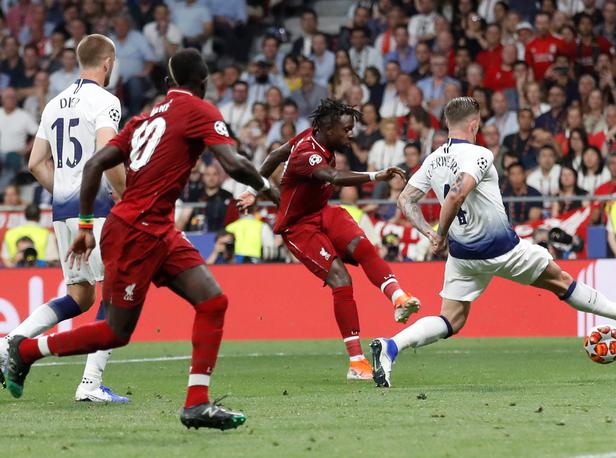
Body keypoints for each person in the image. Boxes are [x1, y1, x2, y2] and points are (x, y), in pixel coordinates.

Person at [4, 49, 277, 431]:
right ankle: (28, 350)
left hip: (155, 227)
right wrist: (268, 187)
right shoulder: (200, 110)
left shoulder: (145, 116)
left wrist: (84, 226)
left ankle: (196, 403)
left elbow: (96, 163)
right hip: (135, 230)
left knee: (213, 301)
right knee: (115, 331)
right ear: (203, 83)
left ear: (168, 84)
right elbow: (232, 164)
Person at [370, 97, 616, 388]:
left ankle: (390, 347)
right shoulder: (479, 154)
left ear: (447, 124)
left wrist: (429, 233)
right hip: (500, 249)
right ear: (475, 124)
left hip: (462, 256)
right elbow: (457, 195)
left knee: (452, 319)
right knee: (560, 280)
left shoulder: (433, 159)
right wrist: (440, 231)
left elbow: (405, 199)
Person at [237, 99, 421, 381]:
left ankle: (398, 298)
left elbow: (274, 154)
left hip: (322, 212)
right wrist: (376, 175)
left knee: (363, 247)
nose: (350, 134)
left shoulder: (309, 138)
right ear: (327, 128)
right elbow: (332, 176)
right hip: (299, 227)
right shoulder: (307, 154)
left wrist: (254, 189)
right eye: (346, 129)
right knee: (341, 279)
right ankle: (356, 363)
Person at [0, 35, 128, 403]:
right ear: (107, 63)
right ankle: (90, 383)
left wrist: (66, 191)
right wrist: (127, 194)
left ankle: (10, 343)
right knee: (115, 292)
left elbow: (35, 162)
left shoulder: (54, 103)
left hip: (62, 209)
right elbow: (107, 152)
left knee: (80, 295)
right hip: (98, 209)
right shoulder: (106, 101)